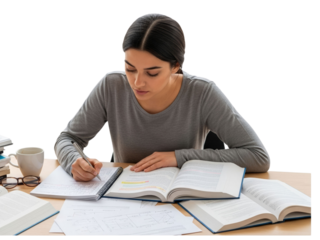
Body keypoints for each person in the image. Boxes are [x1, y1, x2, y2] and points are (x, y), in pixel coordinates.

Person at [52, 13, 272, 182]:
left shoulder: (203, 92)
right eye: (130, 68)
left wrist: (178, 157)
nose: (137, 82)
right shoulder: (111, 85)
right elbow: (66, 139)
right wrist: (75, 161)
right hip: (125, 193)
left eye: (152, 73)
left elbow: (259, 157)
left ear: (175, 66)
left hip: (180, 195)